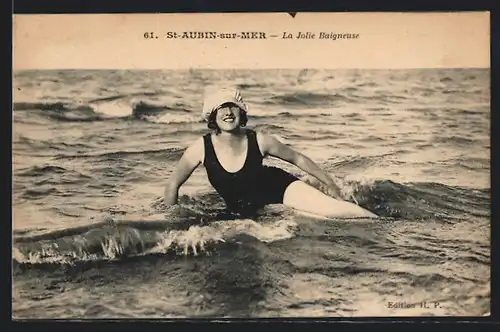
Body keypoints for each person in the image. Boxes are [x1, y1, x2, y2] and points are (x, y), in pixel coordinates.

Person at [163, 87, 377, 219]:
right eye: (221, 108)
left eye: (233, 107)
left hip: (279, 189)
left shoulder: (259, 140)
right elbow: (173, 184)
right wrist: (170, 218)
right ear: (212, 116)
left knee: (334, 212)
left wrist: (331, 185)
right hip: (245, 209)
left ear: (242, 112)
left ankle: (380, 222)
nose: (228, 112)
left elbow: (297, 158)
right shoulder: (200, 147)